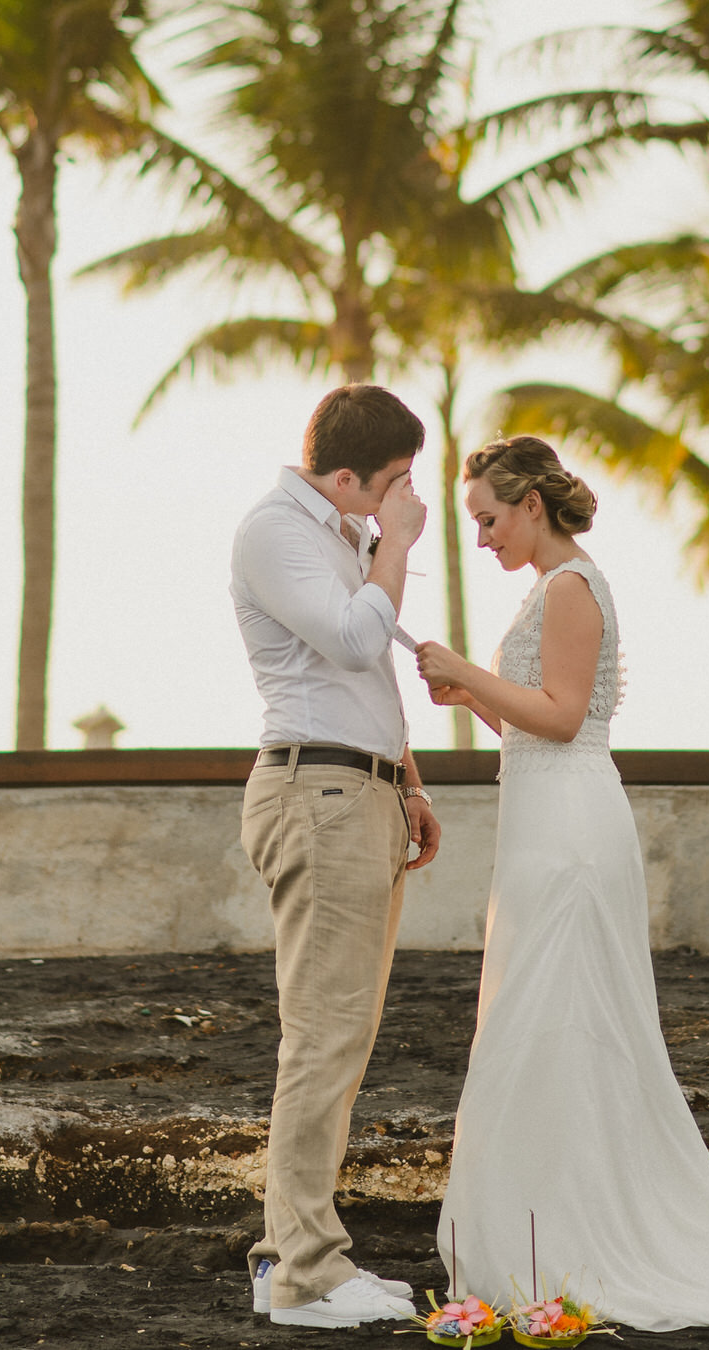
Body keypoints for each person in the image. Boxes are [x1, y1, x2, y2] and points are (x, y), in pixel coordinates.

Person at [415, 435, 709, 1330]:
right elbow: (542, 716)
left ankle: (576, 1232)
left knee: (565, 1018)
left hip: (569, 832)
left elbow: (560, 721)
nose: (480, 536)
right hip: (541, 820)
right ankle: (540, 1223)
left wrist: (467, 670)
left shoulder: (571, 588)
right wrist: (473, 699)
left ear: (529, 505)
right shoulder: (548, 589)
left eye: (486, 518)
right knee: (539, 1015)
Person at [232, 384, 441, 1329]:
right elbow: (357, 642)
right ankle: (306, 1275)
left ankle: (296, 1255)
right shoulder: (277, 531)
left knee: (340, 1037)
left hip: (359, 792)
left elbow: (369, 681)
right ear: (349, 474)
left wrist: (409, 782)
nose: (411, 499)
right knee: (322, 1036)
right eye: (398, 481)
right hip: (315, 795)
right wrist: (395, 543)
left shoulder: (341, 535)